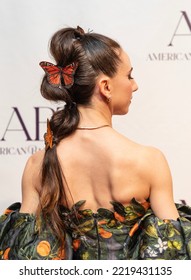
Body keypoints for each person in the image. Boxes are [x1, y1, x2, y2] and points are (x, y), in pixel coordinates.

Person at [0, 26, 191, 260]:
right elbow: (173, 255)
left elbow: (20, 256)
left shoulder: (37, 164)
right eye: (129, 75)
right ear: (106, 87)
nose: (135, 85)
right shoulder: (149, 161)